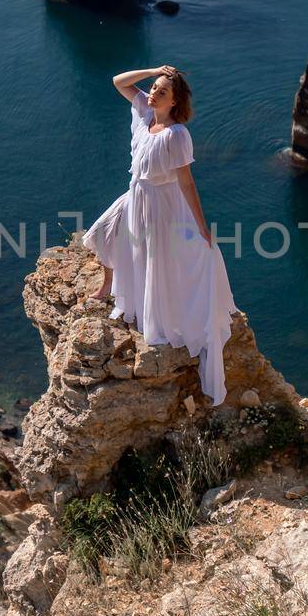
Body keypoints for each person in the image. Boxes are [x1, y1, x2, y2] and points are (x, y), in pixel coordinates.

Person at [83, 65, 237, 406]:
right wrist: (154, 69)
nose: (152, 93)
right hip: (135, 195)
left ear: (175, 102)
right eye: (153, 88)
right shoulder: (144, 113)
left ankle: (145, 304)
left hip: (159, 206)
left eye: (161, 92)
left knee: (151, 260)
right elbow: (116, 80)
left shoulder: (176, 135)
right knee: (103, 233)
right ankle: (109, 284)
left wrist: (201, 225)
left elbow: (186, 181)